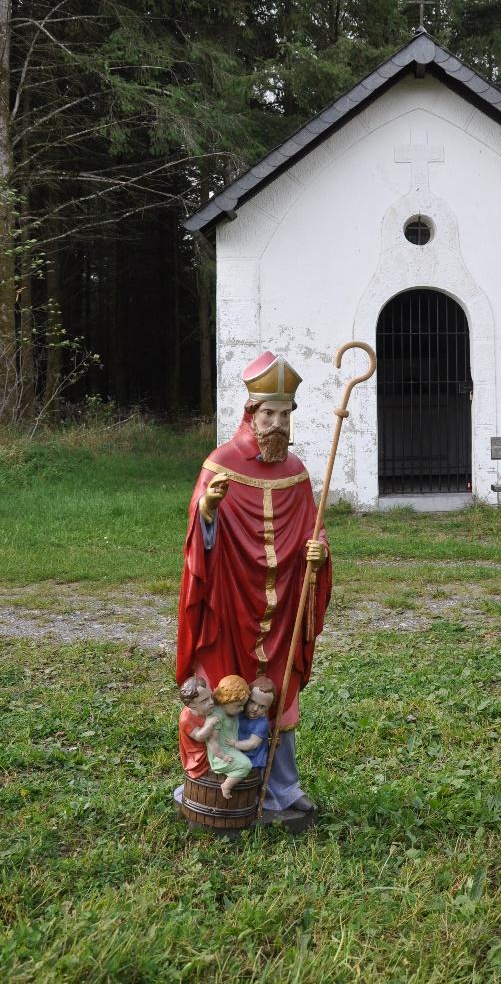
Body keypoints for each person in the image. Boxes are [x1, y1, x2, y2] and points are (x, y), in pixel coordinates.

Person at [176, 351, 331, 821]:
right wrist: (208, 512)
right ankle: (221, 786)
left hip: (282, 602)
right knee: (226, 688)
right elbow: (198, 533)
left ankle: (282, 789)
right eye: (269, 414)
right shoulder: (221, 463)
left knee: (277, 695)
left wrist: (319, 551)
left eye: (285, 415)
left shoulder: (296, 471)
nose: (277, 424)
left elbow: (312, 527)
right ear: (251, 413)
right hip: (229, 602)